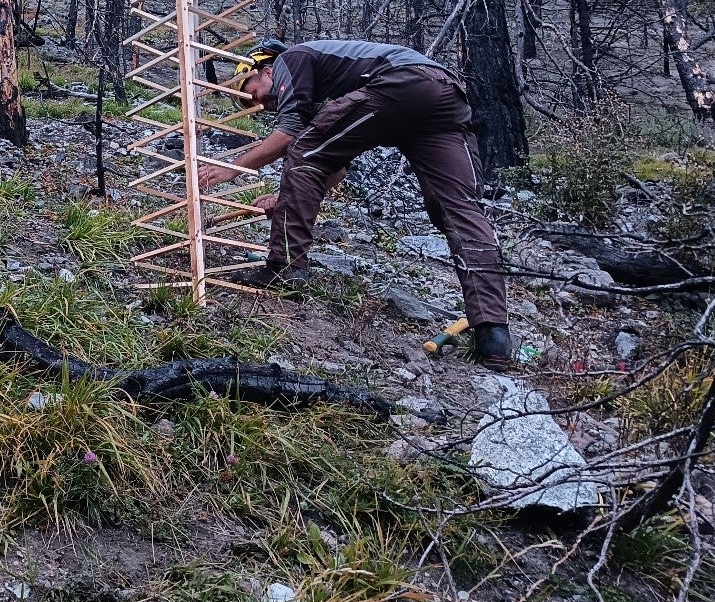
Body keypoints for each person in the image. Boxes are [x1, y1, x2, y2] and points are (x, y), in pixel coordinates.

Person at [198, 38, 511, 366]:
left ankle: (285, 268)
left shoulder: (291, 59)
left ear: (266, 71)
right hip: (445, 94)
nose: (261, 104)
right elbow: (333, 168)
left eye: (255, 94)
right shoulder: (327, 87)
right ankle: (493, 334)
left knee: (304, 150)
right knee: (459, 210)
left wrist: (230, 169)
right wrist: (287, 198)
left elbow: (292, 136)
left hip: (405, 82)